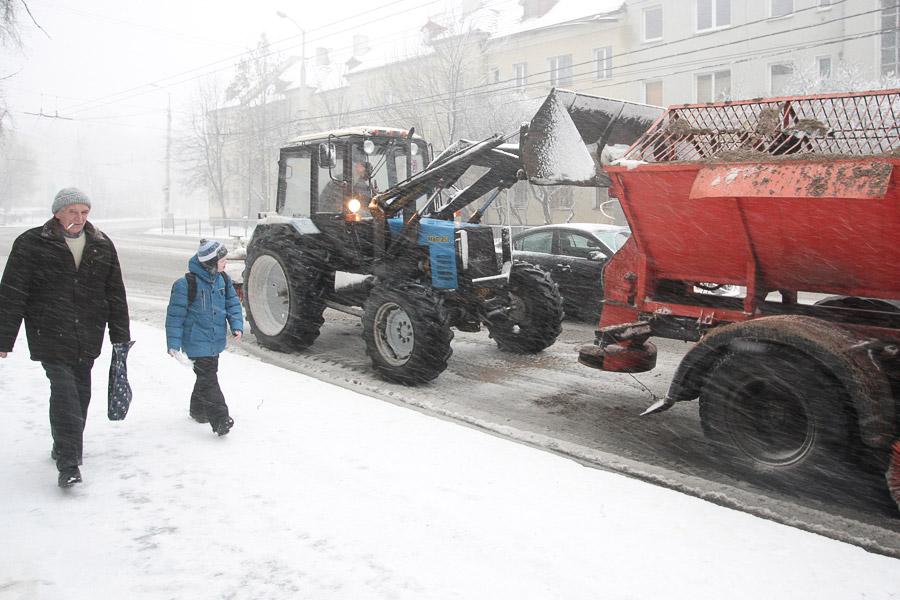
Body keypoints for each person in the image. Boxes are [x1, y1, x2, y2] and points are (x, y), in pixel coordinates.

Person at [0, 187, 131, 488]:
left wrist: (120, 335)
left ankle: (63, 444)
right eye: (73, 211)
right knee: (64, 392)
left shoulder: (100, 243)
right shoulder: (32, 243)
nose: (80, 218)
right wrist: (4, 338)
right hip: (49, 333)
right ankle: (69, 463)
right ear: (57, 213)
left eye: (84, 212)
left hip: (88, 333)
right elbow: (12, 293)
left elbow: (115, 292)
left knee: (81, 393)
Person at [165, 239, 243, 436]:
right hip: (195, 342)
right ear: (211, 263)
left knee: (206, 377)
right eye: (222, 260)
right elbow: (175, 317)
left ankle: (198, 411)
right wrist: (173, 344)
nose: (226, 263)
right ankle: (220, 419)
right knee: (209, 378)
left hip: (215, 341)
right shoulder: (185, 284)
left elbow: (232, 303)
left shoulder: (222, 279)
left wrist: (236, 325)